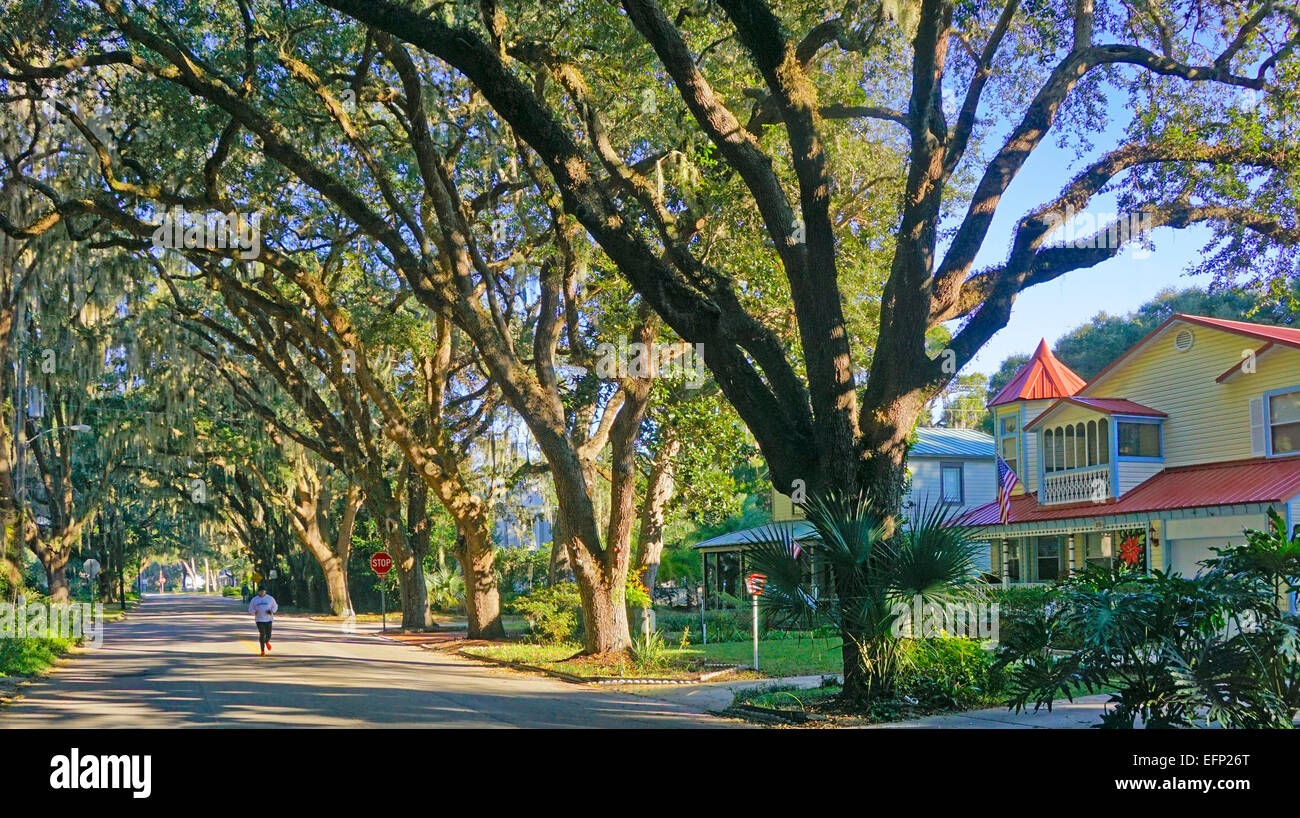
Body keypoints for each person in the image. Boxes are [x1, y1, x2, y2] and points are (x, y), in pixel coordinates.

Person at [248, 587, 279, 656]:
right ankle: (262, 651)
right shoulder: (254, 599)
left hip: (269, 619)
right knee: (262, 634)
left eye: (263, 592)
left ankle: (267, 641)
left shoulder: (270, 598)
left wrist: (272, 611)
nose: (262, 593)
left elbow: (275, 606)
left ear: (265, 592)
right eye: (260, 592)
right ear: (258, 592)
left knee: (269, 634)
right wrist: (254, 612)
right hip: (259, 620)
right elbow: (250, 609)